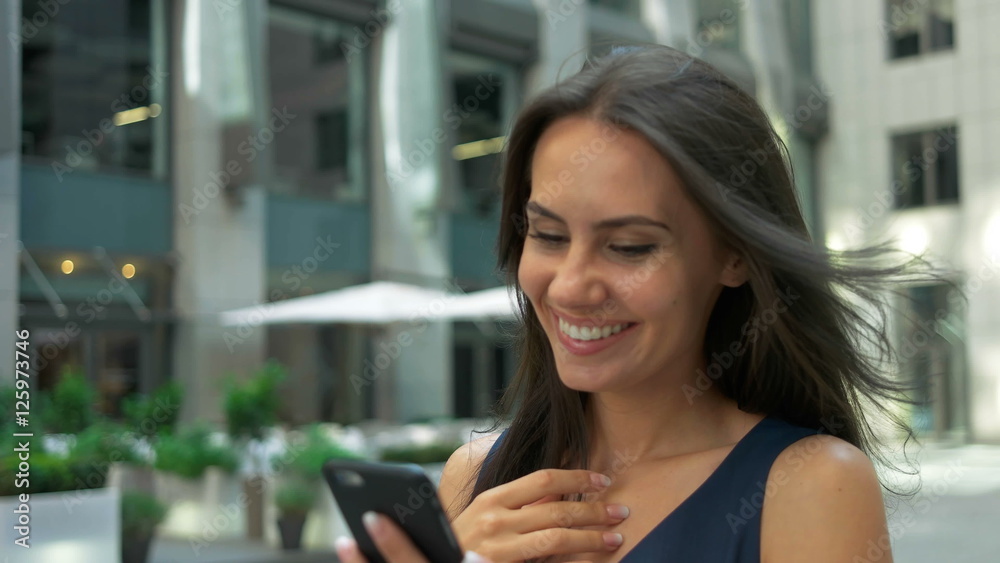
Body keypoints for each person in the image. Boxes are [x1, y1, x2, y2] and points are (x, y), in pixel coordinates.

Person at [336, 45, 932, 563]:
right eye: (546, 235)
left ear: (735, 256)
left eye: (628, 246)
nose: (570, 285)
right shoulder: (476, 478)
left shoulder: (809, 485)